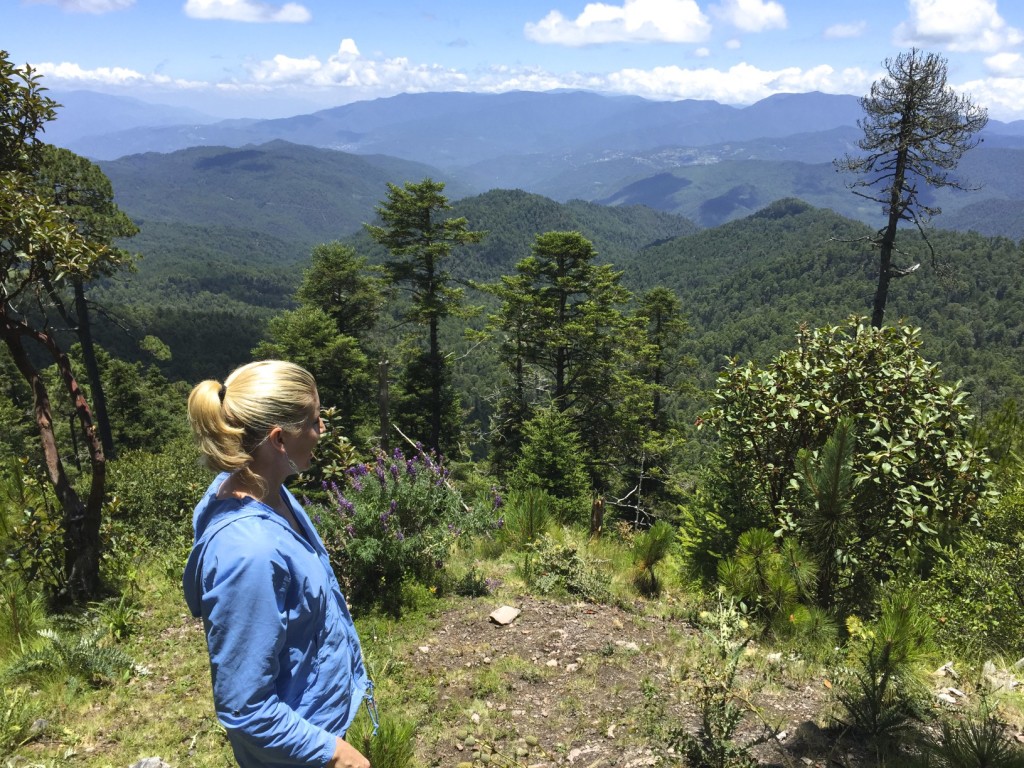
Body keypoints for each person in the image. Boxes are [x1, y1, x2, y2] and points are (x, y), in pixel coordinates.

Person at [183, 360, 372, 768]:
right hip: (297, 751)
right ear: (279, 440)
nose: (322, 431)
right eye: (314, 421)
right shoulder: (249, 553)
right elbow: (245, 708)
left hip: (313, 721)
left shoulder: (257, 488)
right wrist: (337, 755)